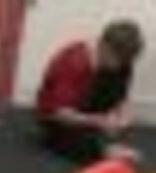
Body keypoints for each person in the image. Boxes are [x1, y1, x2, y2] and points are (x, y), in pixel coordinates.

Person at [35, 20, 146, 164]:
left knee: (121, 72)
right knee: (74, 140)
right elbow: (59, 113)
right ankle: (103, 150)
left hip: (87, 109)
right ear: (104, 47)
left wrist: (123, 114)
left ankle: (98, 138)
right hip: (58, 117)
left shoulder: (120, 65)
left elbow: (122, 95)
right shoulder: (74, 61)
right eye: (117, 59)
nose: (119, 65)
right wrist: (99, 121)